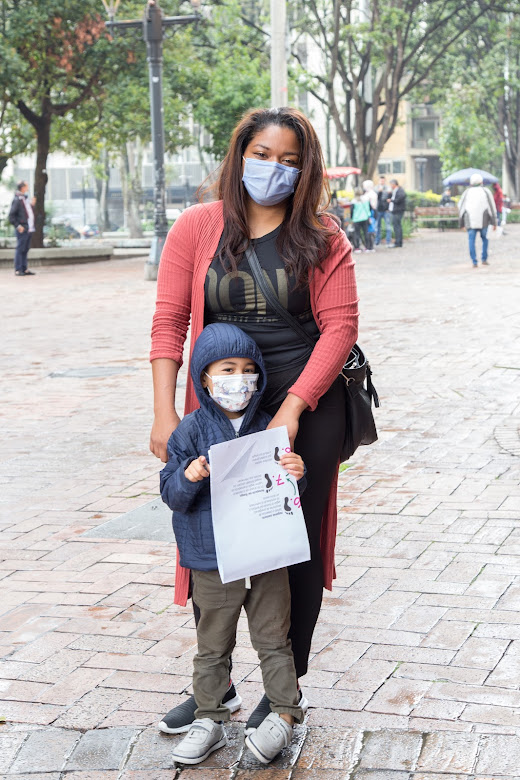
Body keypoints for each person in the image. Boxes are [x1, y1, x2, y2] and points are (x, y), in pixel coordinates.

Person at [150, 107, 358, 737]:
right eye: (264, 154)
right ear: (240, 154)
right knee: (208, 539)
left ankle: (283, 684)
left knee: (289, 546)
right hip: (219, 402)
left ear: (307, 170)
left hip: (304, 406)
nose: (275, 169)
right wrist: (165, 412)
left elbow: (340, 328)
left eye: (291, 161)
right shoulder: (197, 227)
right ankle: (214, 683)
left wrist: (292, 410)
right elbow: (168, 323)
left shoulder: (323, 236)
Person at [161, 322, 305, 765]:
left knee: (274, 639)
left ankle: (283, 712)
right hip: (213, 560)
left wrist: (297, 472)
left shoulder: (269, 428)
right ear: (205, 376)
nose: (239, 380)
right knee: (212, 644)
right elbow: (169, 492)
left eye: (248, 370)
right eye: (227, 369)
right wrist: (188, 477)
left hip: (264, 557)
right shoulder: (190, 431)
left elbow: (283, 493)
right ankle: (210, 717)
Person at [458, 173, 497, 267]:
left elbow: (461, 207)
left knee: (471, 240)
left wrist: (461, 223)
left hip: (470, 222)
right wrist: (494, 222)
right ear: (481, 181)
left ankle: (474, 261)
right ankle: (484, 259)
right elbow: (492, 207)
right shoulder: (486, 191)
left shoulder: (467, 192)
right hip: (484, 221)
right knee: (485, 239)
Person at [8, 181, 36, 276]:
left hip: (29, 228)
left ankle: (24, 268)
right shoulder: (17, 199)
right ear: (23, 187)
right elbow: (11, 216)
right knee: (20, 249)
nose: (28, 187)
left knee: (25, 249)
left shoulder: (25, 198)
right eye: (26, 185)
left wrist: (32, 205)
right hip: (22, 228)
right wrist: (18, 226)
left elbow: (26, 213)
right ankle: (18, 269)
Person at [350, 186, 373, 252]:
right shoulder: (366, 199)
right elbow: (370, 208)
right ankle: (367, 247)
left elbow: (352, 211)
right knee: (366, 232)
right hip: (365, 218)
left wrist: (351, 218)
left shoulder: (354, 201)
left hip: (356, 219)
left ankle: (357, 248)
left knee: (357, 233)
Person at [388, 179, 406, 248]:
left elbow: (400, 198)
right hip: (395, 210)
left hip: (398, 211)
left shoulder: (400, 190)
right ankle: (398, 242)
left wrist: (392, 200)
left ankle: (398, 242)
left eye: (391, 184)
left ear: (394, 184)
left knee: (397, 226)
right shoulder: (396, 191)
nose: (391, 186)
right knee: (396, 226)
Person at [375, 175, 392, 246]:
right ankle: (377, 241)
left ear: (385, 181)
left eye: (383, 180)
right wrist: (379, 192)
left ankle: (388, 241)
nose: (382, 181)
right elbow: (375, 198)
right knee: (377, 226)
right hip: (378, 210)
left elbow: (390, 198)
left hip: (386, 210)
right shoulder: (376, 188)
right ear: (379, 181)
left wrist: (389, 193)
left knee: (388, 226)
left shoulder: (388, 188)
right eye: (381, 180)